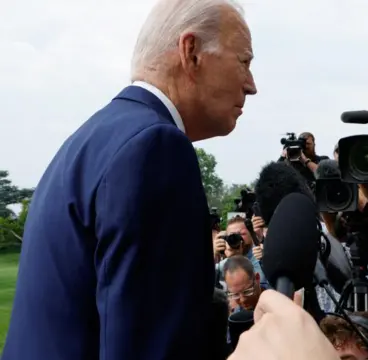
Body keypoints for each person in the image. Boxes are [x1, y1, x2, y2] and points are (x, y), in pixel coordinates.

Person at [2, 0, 257, 359]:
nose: (251, 85)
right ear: (192, 52)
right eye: (244, 62)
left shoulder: (91, 140)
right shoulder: (155, 148)